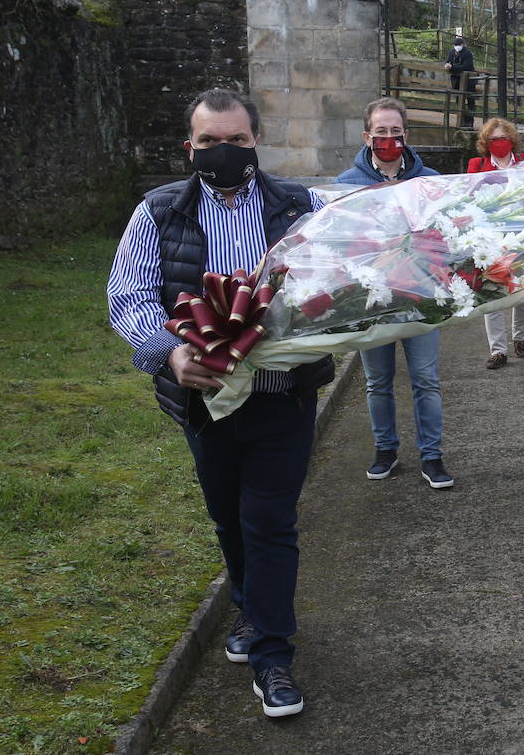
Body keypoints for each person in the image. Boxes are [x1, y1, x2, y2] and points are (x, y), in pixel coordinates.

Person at [106, 88, 331, 717]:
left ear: (255, 140)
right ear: (190, 146)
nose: (223, 152)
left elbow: (335, 282)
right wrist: (169, 354)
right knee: (229, 519)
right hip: (204, 402)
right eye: (209, 142)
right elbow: (131, 295)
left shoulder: (302, 205)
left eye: (235, 140)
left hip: (282, 397)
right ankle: (251, 612)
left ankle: (272, 657)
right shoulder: (158, 212)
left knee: (271, 522)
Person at [334, 97, 454, 489]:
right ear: (367, 135)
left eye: (395, 132)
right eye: (380, 132)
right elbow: (337, 242)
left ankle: (432, 455)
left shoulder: (428, 181)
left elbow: (447, 236)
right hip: (371, 300)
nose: (388, 138)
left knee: (426, 379)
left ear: (406, 135)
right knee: (377, 380)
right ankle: (385, 448)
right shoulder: (346, 185)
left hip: (420, 296)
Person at [468, 118, 524, 369]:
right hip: (490, 237)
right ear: (486, 142)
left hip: (521, 234)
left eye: (503, 138)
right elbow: (470, 196)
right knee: (491, 292)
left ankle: (520, 338)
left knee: (523, 289)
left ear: (512, 140)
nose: (499, 143)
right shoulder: (477, 164)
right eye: (493, 139)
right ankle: (498, 350)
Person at [445, 36, 476, 128]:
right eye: (455, 45)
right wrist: (447, 66)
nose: (457, 46)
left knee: (470, 101)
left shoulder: (467, 53)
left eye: (458, 45)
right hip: (456, 81)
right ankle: (463, 120)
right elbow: (448, 62)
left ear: (462, 45)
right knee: (459, 101)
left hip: (469, 82)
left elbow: (466, 66)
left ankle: (470, 121)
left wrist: (453, 67)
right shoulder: (451, 52)